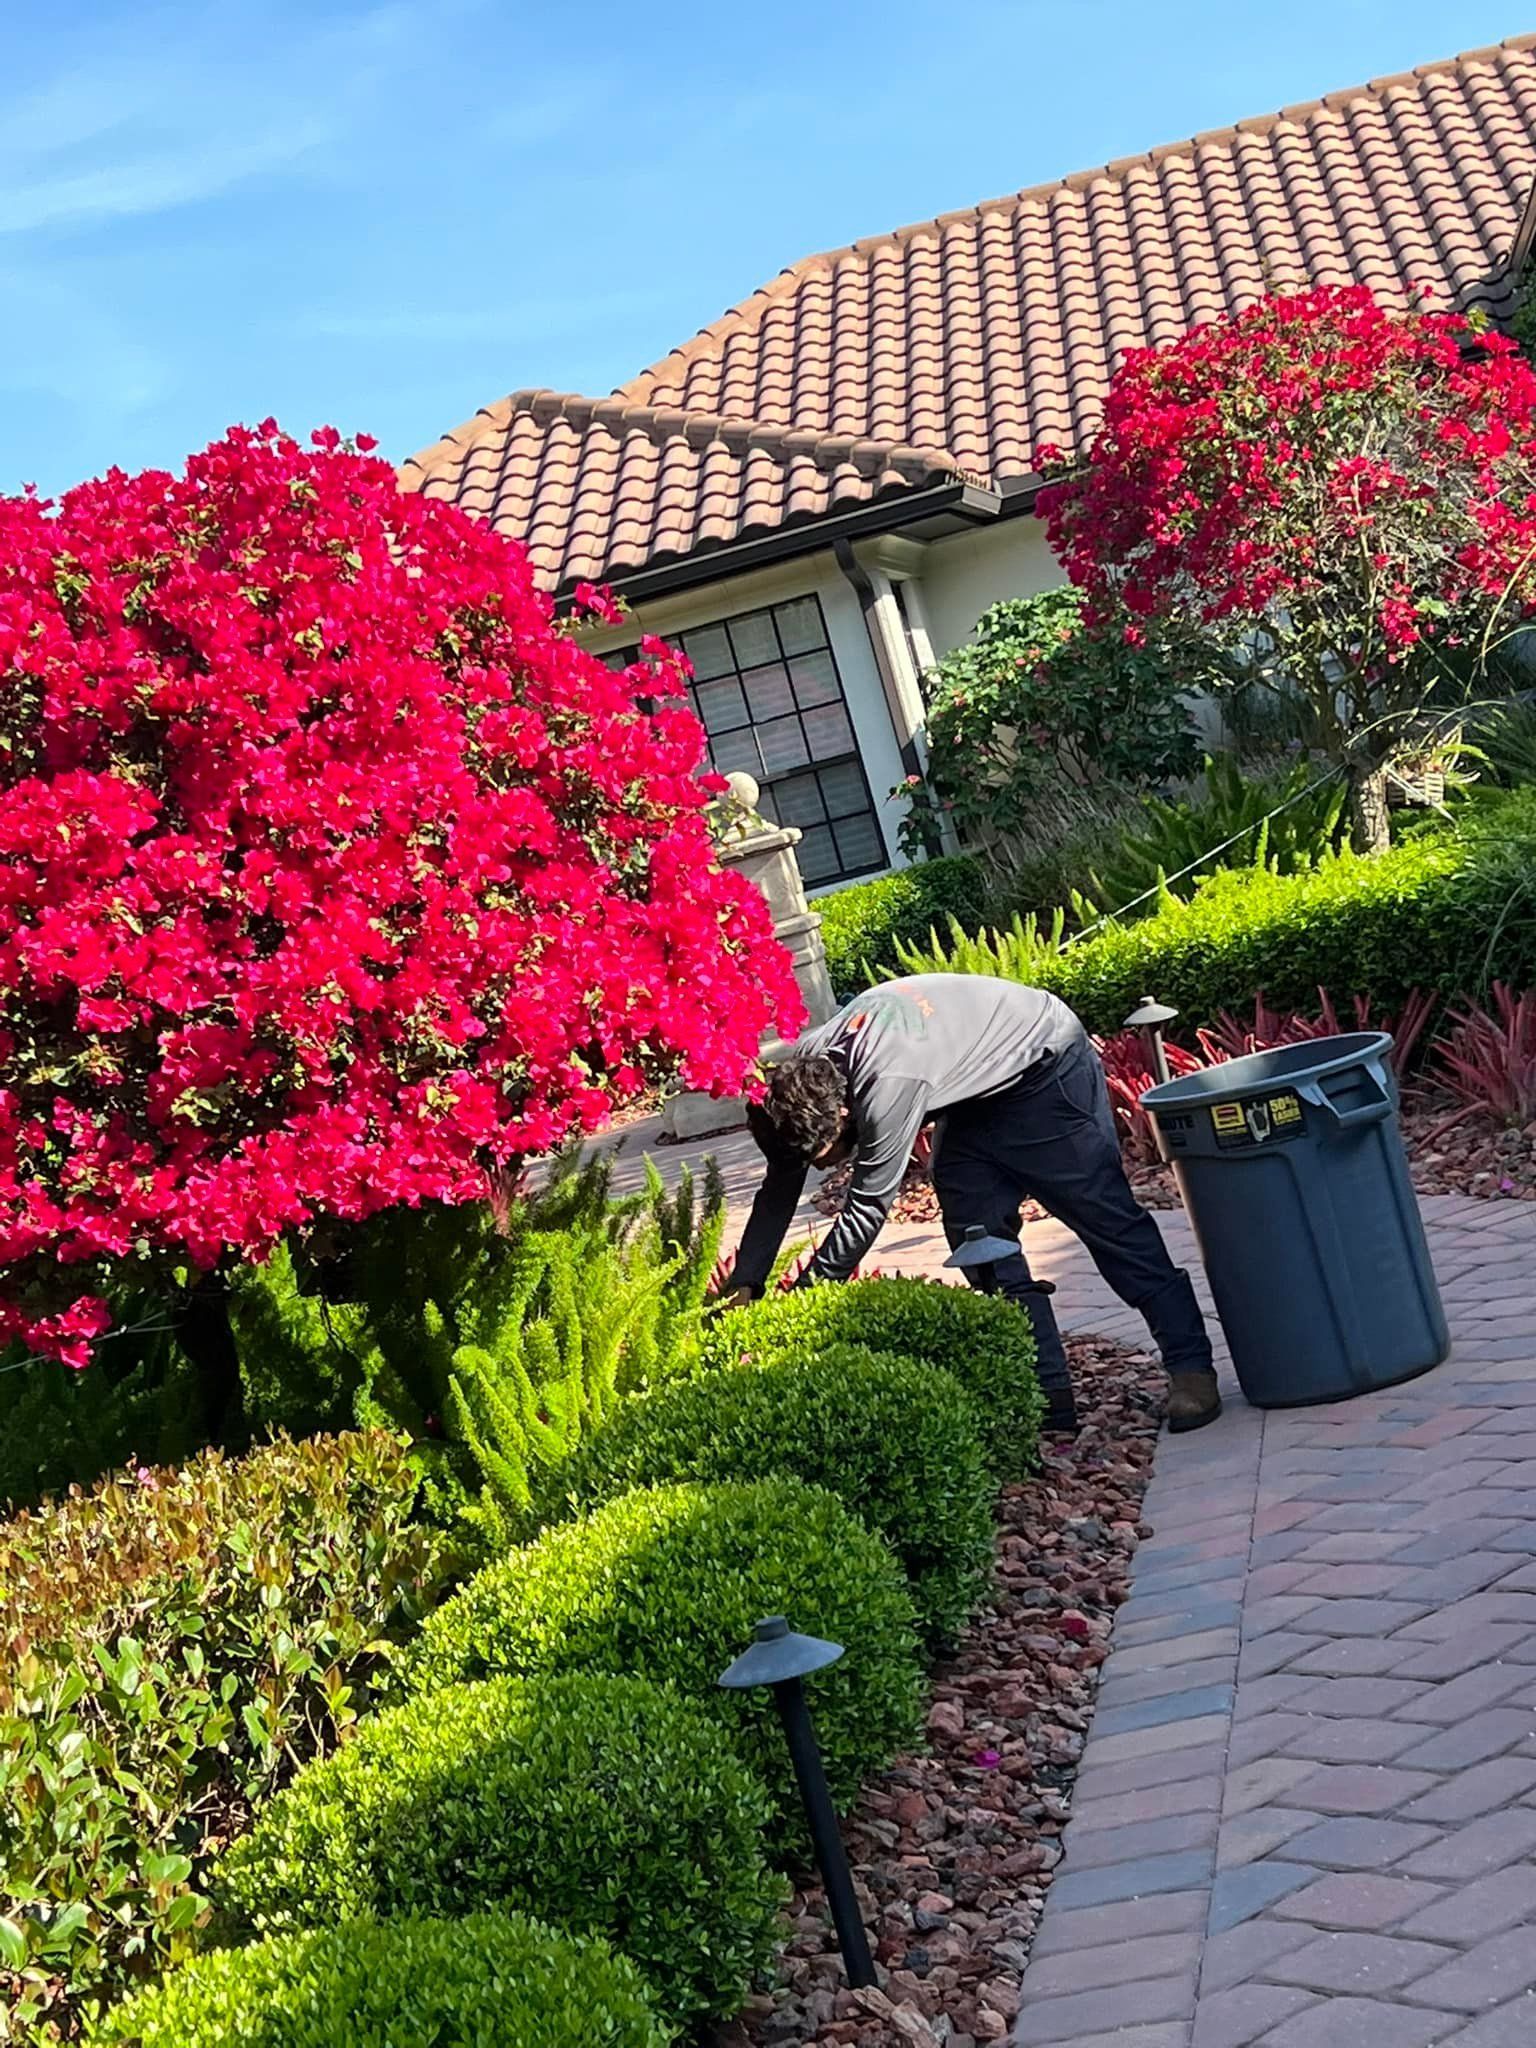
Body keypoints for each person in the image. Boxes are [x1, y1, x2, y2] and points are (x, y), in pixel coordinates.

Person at [727, 973, 1221, 1436]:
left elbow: (867, 1208)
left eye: (824, 1157)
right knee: (976, 1237)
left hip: (1043, 1065)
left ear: (841, 1114)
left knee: (1105, 1220)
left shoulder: (888, 1083)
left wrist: (802, 1303)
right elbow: (780, 1182)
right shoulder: (797, 1085)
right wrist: (746, 1282)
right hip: (975, 1092)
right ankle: (1049, 1399)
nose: (820, 1170)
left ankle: (1191, 1368)